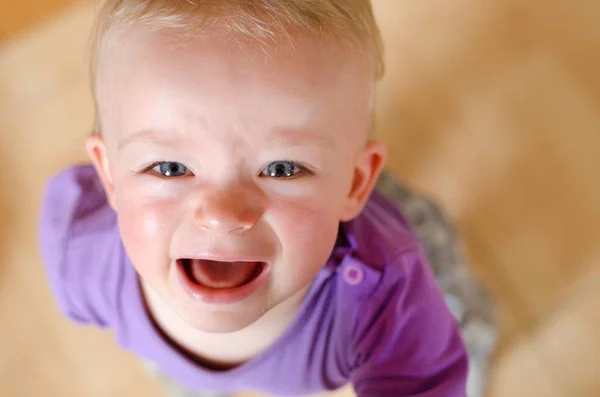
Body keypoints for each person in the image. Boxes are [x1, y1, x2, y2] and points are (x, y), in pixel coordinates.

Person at [39, 1, 469, 396]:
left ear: (356, 184)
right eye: (170, 168)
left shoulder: (386, 300)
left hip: (399, 258)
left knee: (452, 307)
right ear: (110, 175)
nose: (222, 215)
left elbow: (424, 380)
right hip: (181, 368)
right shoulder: (81, 256)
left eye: (282, 169)